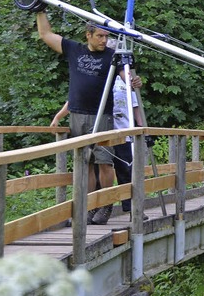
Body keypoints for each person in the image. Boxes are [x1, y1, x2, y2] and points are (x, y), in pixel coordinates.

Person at [37, 11, 141, 225]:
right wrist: (40, 9)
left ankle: (105, 205)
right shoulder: (74, 50)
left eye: (106, 37)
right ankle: (89, 206)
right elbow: (45, 34)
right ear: (88, 35)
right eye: (100, 36)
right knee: (85, 163)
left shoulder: (112, 55)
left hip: (101, 115)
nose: (104, 40)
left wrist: (133, 80)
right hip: (77, 115)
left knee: (104, 162)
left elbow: (126, 76)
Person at [51, 75, 145, 217]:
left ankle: (134, 210)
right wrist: (58, 116)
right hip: (101, 130)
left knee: (125, 172)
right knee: (98, 169)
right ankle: (97, 208)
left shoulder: (125, 78)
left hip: (123, 131)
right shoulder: (96, 77)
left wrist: (141, 126)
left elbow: (135, 104)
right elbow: (77, 100)